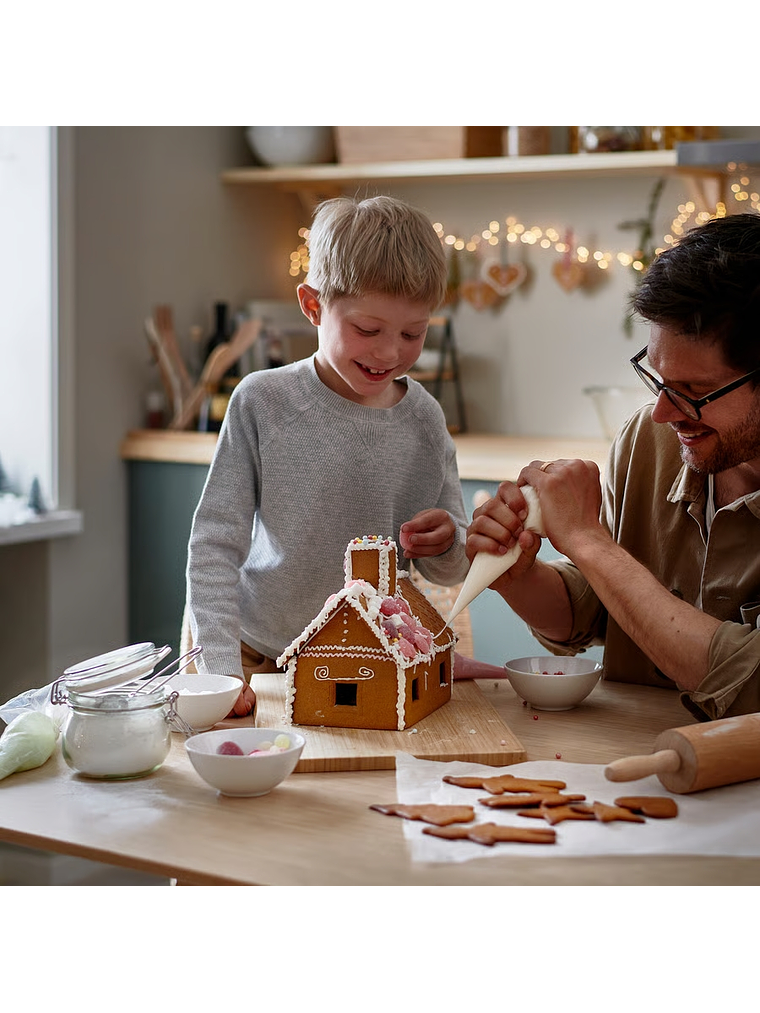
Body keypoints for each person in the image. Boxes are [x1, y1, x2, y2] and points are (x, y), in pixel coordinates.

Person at [186, 194, 481, 716]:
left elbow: (450, 568)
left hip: (375, 663)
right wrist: (220, 671)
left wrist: (445, 542)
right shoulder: (262, 401)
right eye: (367, 330)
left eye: (413, 333)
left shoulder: (426, 420)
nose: (390, 353)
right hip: (259, 660)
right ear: (313, 305)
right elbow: (213, 545)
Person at [466, 212, 760, 721]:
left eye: (693, 392)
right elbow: (605, 610)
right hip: (627, 765)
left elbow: (750, 681)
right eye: (658, 378)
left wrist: (586, 538)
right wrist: (518, 576)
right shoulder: (651, 440)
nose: (665, 413)